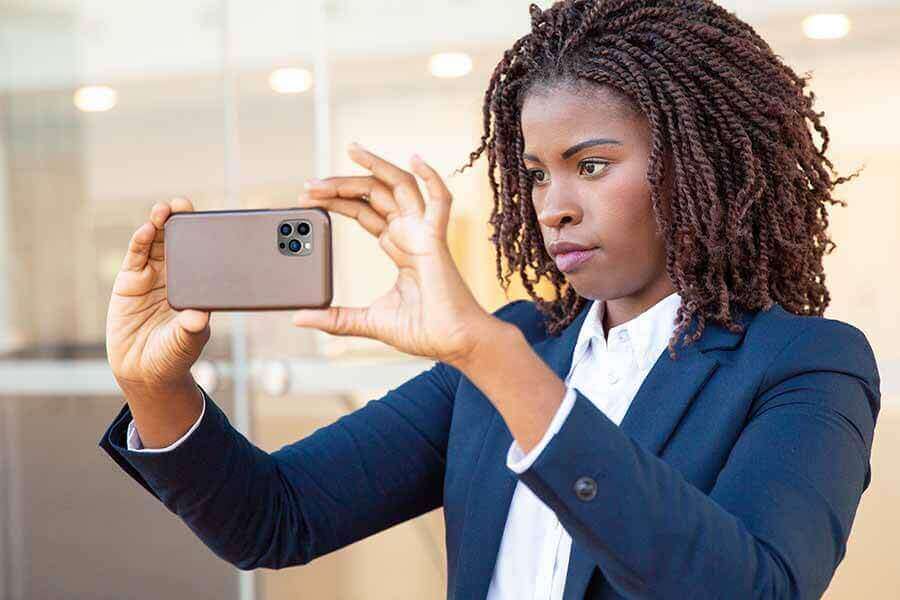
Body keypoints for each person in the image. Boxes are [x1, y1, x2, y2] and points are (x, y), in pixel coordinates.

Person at [99, 1, 881, 598]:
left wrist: (491, 357)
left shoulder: (806, 363)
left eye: (593, 165)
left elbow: (750, 589)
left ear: (699, 162)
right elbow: (273, 516)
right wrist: (155, 387)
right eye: (537, 173)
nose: (553, 206)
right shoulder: (515, 343)